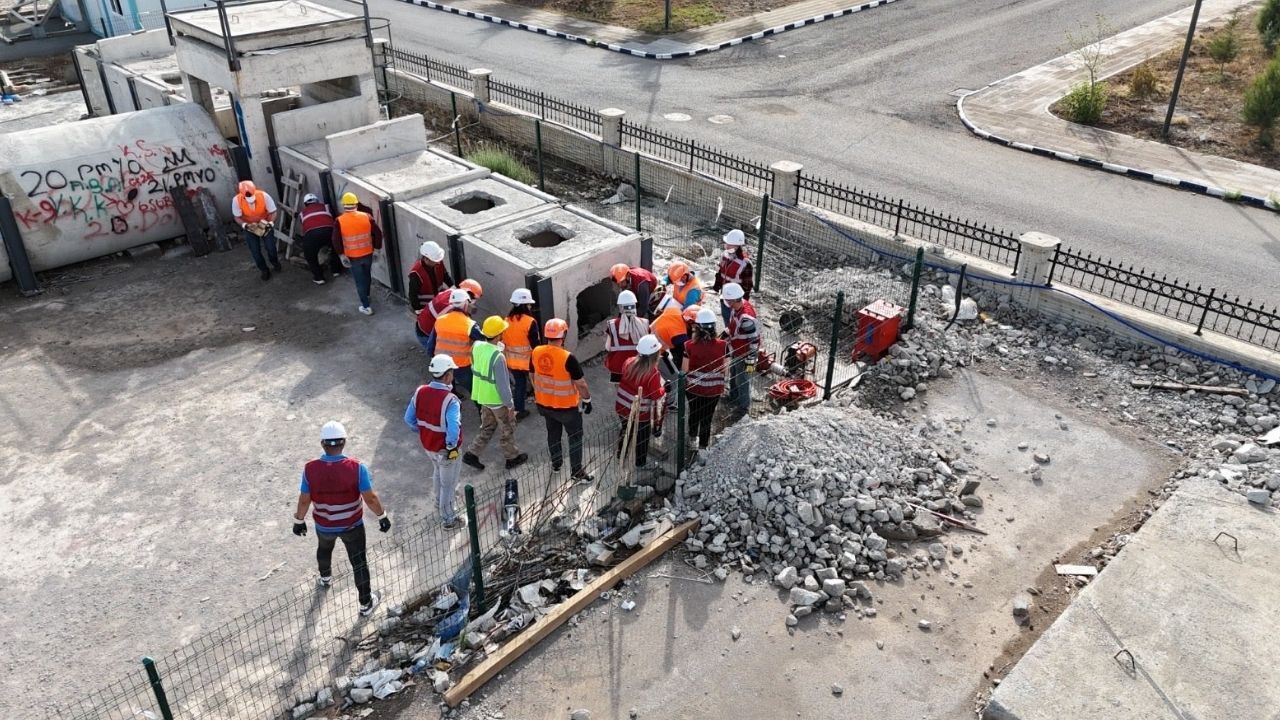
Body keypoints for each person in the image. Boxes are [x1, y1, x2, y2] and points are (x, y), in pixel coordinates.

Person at [292, 420, 390, 617]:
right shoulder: (356, 467)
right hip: (352, 526)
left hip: (324, 525)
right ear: (344, 442)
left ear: (323, 444)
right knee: (359, 562)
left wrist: (299, 521)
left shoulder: (310, 468)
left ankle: (325, 578)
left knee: (324, 549)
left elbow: (304, 500)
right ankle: (365, 603)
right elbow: (369, 498)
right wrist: (382, 516)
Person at [404, 355, 466, 530]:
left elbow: (409, 419)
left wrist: (425, 431)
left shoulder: (420, 392)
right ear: (447, 375)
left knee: (438, 473)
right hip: (445, 450)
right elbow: (453, 429)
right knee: (449, 483)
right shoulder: (450, 400)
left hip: (428, 446)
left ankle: (439, 505)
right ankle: (448, 519)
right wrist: (451, 446)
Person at [462, 316, 529, 471]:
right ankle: (512, 457)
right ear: (499, 334)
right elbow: (503, 385)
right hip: (497, 401)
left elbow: (475, 364)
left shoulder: (477, 345)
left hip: (483, 396)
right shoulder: (498, 357)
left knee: (487, 427)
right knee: (507, 428)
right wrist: (510, 405)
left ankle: (472, 453)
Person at [531, 318, 593, 481]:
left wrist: (541, 392)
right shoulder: (568, 358)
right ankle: (577, 473)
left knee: (553, 434)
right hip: (567, 409)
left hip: (544, 405)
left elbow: (532, 375)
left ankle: (556, 464)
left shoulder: (536, 352)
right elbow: (581, 384)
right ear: (563, 335)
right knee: (575, 437)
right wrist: (587, 400)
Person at [615, 334, 666, 469]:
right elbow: (656, 395)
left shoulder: (629, 362)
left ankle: (621, 453)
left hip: (622, 406)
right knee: (642, 437)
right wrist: (664, 389)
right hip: (640, 413)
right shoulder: (652, 374)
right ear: (655, 354)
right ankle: (640, 463)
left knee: (626, 430)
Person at [427, 285, 486, 398]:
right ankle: (482, 412)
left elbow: (430, 346)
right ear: (465, 304)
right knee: (476, 394)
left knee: (447, 391)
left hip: (443, 364)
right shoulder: (469, 324)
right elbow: (484, 342)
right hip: (462, 366)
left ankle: (452, 400)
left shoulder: (440, 320)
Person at [683, 307, 729, 450]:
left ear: (697, 327)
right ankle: (703, 446)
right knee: (707, 418)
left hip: (694, 389)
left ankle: (692, 439)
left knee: (694, 414)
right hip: (714, 390)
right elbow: (725, 371)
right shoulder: (724, 346)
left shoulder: (688, 346)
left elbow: (684, 370)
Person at [332, 192, 383, 316]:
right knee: (367, 276)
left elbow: (335, 239)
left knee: (359, 281)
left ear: (344, 205)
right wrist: (376, 249)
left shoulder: (340, 220)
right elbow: (378, 233)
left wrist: (341, 255)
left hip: (353, 257)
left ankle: (366, 306)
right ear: (356, 204)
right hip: (368, 254)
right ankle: (367, 295)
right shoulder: (367, 216)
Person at [503, 288, 541, 420]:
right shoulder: (530, 322)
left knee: (519, 385)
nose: (531, 306)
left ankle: (518, 410)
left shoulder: (506, 321)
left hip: (512, 361)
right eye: (529, 304)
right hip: (528, 362)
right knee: (537, 384)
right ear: (525, 305)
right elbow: (535, 344)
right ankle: (542, 407)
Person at [722, 282, 760, 416]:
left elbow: (754, 340)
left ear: (733, 300)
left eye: (727, 299)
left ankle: (743, 408)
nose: (726, 302)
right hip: (736, 351)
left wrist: (750, 361)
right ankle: (733, 396)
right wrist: (726, 333)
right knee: (734, 373)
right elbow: (733, 326)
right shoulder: (738, 307)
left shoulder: (746, 318)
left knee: (743, 380)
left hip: (745, 354)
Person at [231, 180, 280, 281]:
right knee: (255, 251)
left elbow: (273, 212)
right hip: (250, 227)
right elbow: (237, 217)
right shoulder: (236, 200)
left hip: (264, 224)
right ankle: (264, 270)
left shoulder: (264, 196)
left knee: (271, 247)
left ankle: (275, 262)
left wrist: (270, 223)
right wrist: (244, 225)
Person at [604, 290, 650, 384]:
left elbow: (608, 347)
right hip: (638, 369)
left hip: (618, 370)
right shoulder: (645, 324)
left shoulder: (612, 325)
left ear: (620, 308)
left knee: (621, 395)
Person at [711, 229, 754, 326]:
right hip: (724, 295)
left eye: (729, 244)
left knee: (736, 322)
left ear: (737, 245)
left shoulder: (745, 263)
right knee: (726, 317)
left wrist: (743, 303)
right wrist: (717, 285)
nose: (726, 245)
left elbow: (747, 286)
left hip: (736, 300)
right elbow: (720, 272)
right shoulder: (724, 255)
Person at [298, 193, 340, 285]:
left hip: (311, 234)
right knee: (335, 248)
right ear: (317, 201)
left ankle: (319, 277)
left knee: (310, 256)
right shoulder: (327, 207)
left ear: (305, 204)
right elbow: (334, 218)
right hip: (329, 230)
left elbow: (304, 225)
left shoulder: (302, 213)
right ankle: (336, 270)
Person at [651, 296, 692, 377]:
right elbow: (682, 357)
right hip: (655, 351)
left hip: (650, 335)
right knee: (674, 376)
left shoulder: (675, 310)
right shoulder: (680, 335)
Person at [408, 241, 453, 311]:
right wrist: (419, 312)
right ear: (426, 259)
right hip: (425, 307)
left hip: (437, 301)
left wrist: (454, 288)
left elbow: (445, 276)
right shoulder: (416, 273)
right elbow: (413, 296)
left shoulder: (438, 262)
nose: (438, 262)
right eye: (435, 260)